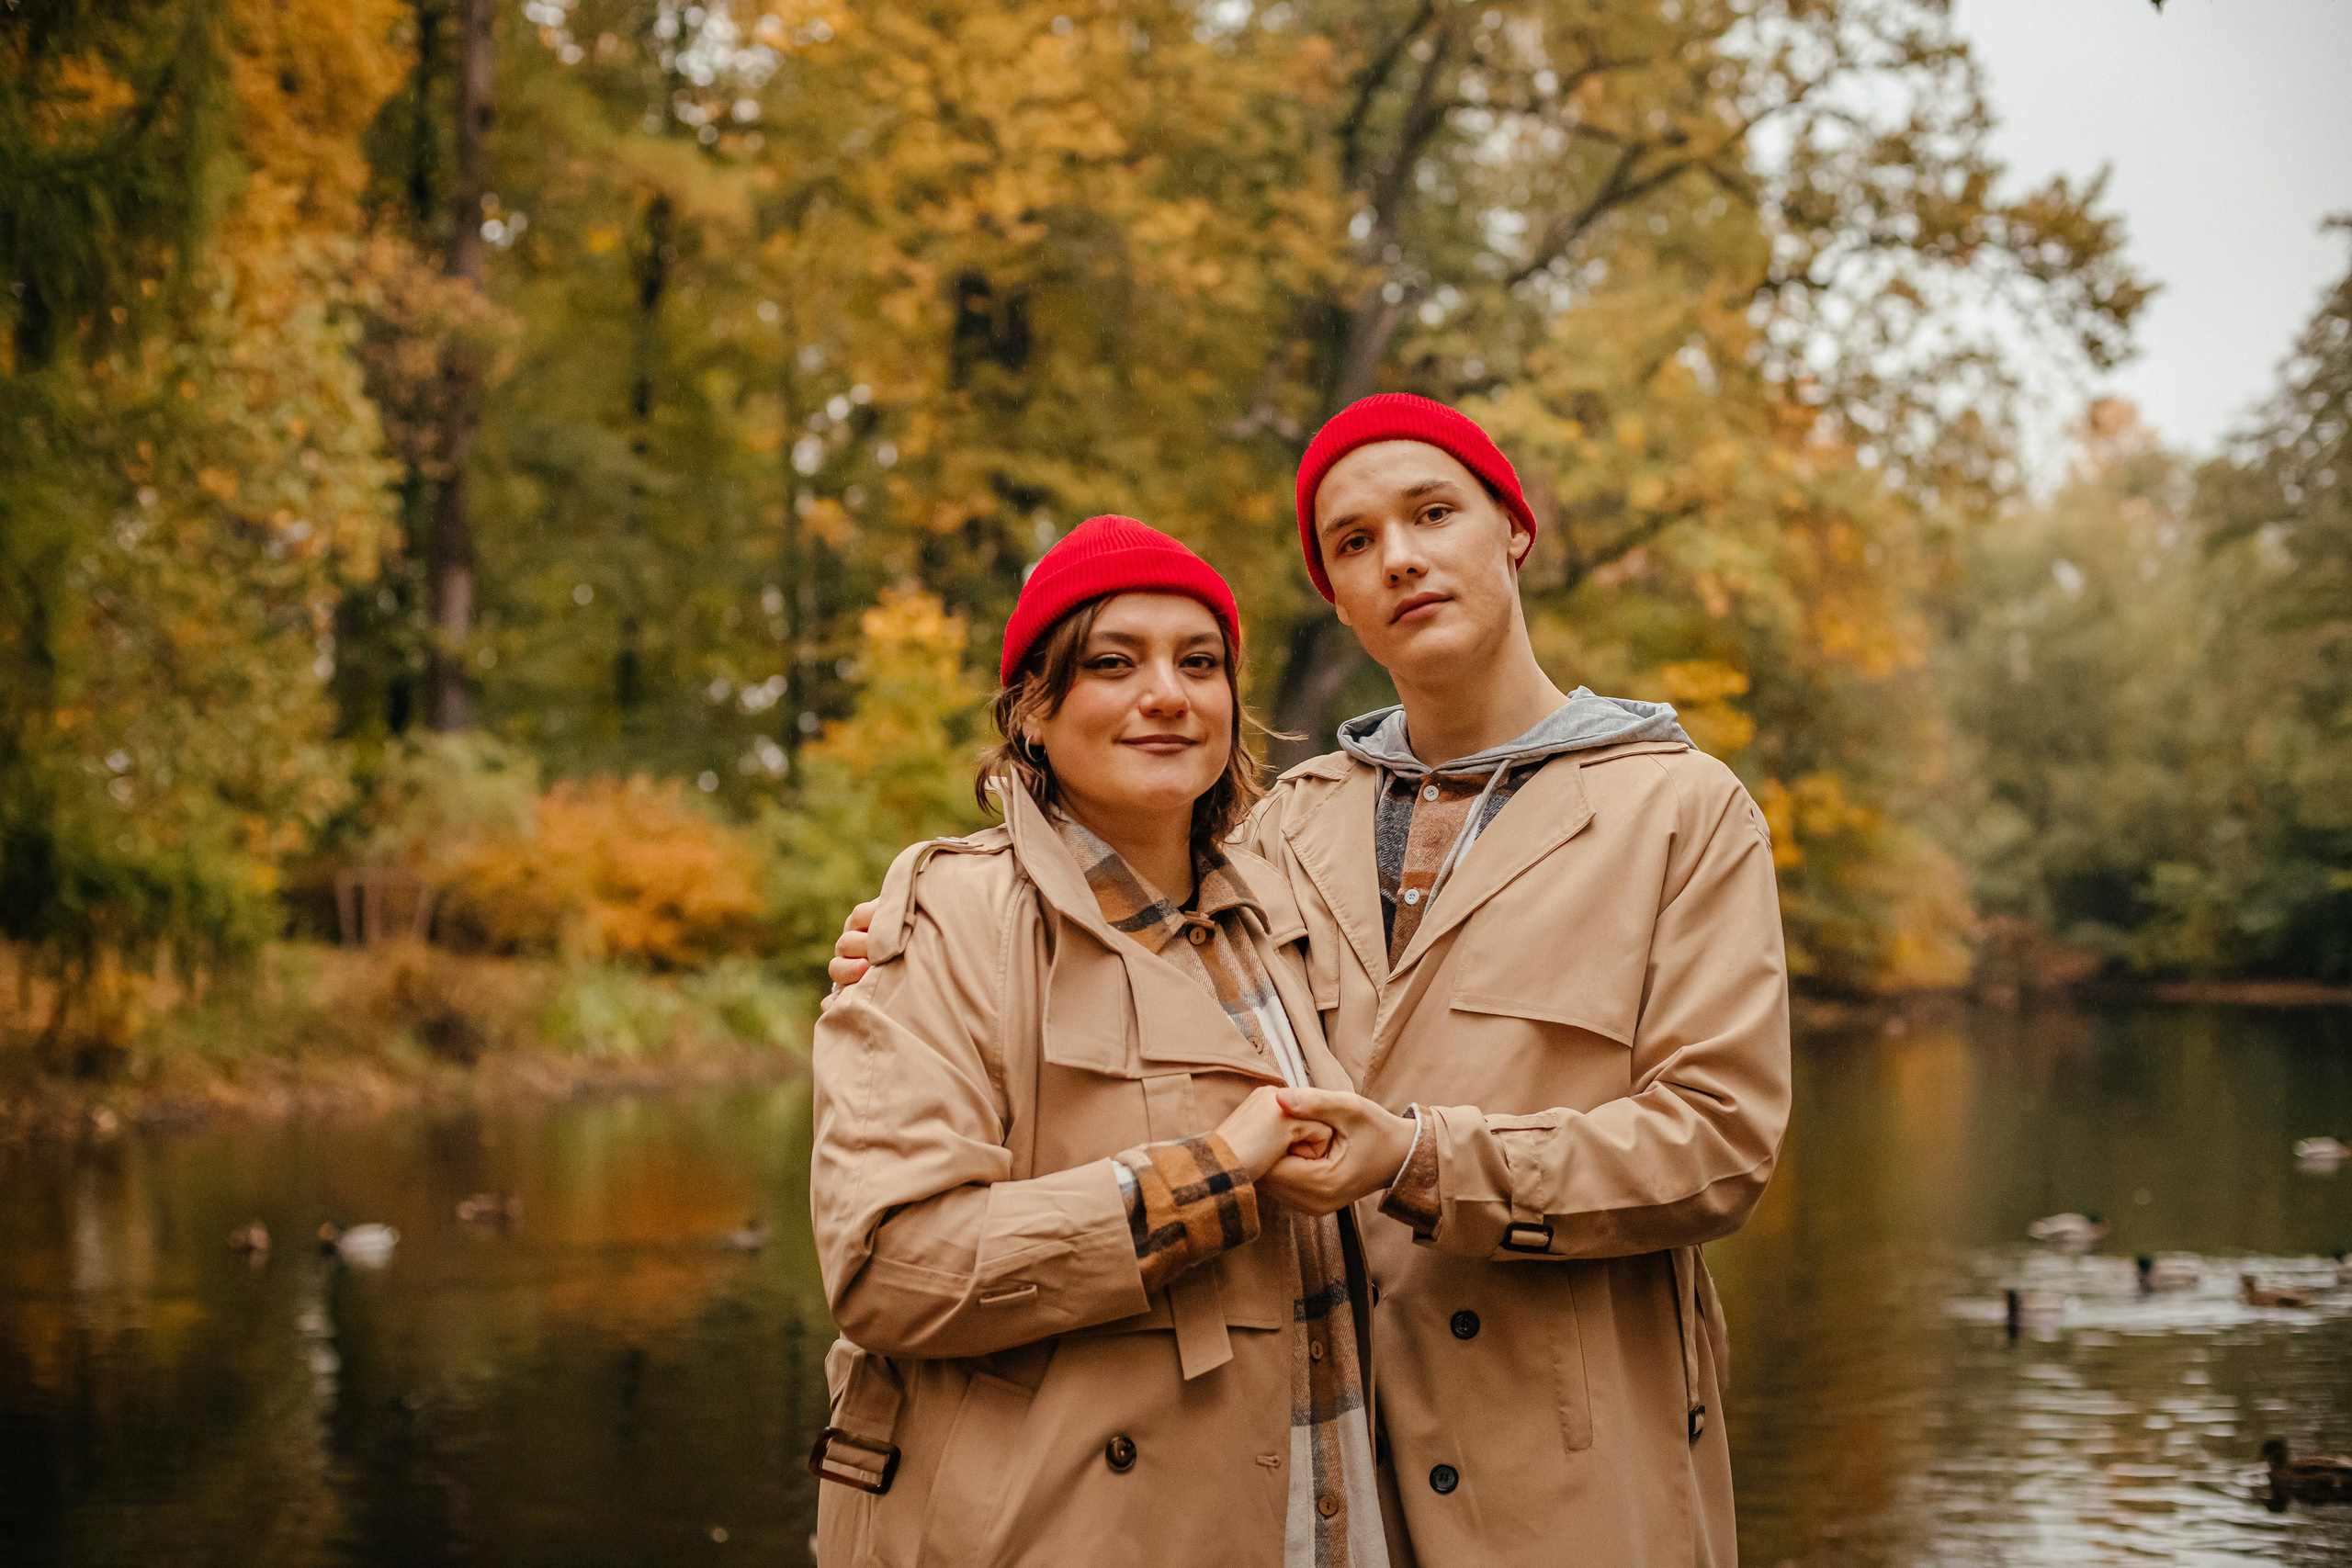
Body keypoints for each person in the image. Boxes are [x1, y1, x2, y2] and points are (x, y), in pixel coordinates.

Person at [831, 396, 1792, 1567]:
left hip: (1559, 1476)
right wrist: (916, 935)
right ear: (1334, 593)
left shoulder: (1681, 812)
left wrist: (1425, 1160)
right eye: (1351, 541)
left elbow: (1720, 1143)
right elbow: (1110, 913)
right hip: (1298, 1469)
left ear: (1513, 530)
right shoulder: (1285, 826)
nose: (1399, 557)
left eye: (1432, 513)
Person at [806, 515, 1390, 1568]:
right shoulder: (955, 917)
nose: (1166, 693)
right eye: (1113, 663)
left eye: (1198, 663)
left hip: (1306, 1518)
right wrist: (1209, 1179)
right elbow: (890, 1268)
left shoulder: (1282, 920)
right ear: (1033, 711)